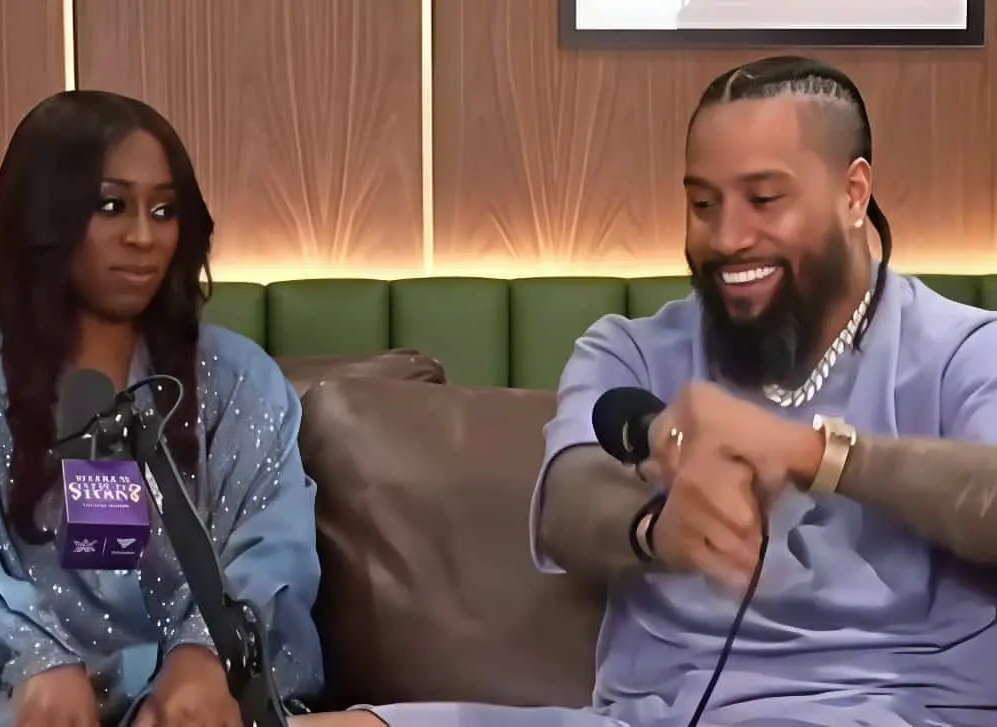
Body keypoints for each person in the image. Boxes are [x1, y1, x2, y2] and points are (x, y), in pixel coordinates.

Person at [291, 55, 997, 727]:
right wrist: (654, 529)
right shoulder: (628, 349)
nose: (727, 236)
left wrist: (813, 454)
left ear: (853, 193)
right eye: (703, 203)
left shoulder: (962, 349)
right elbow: (568, 501)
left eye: (764, 199)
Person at [0, 90, 323, 727]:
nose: (142, 237)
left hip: (196, 709)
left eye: (164, 210)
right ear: (43, 215)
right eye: (112, 206)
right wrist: (33, 658)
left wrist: (204, 657)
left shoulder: (239, 381)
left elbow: (273, 547)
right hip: (9, 708)